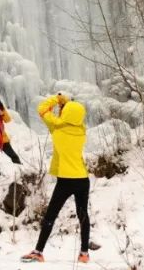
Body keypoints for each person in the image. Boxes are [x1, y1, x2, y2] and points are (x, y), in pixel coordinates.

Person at [21, 92, 91, 264]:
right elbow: (74, 116)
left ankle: (38, 251)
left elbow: (42, 109)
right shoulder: (82, 130)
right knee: (83, 215)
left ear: (65, 113)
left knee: (51, 215)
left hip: (66, 180)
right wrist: (67, 105)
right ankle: (84, 253)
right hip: (82, 178)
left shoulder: (57, 128)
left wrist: (58, 99)